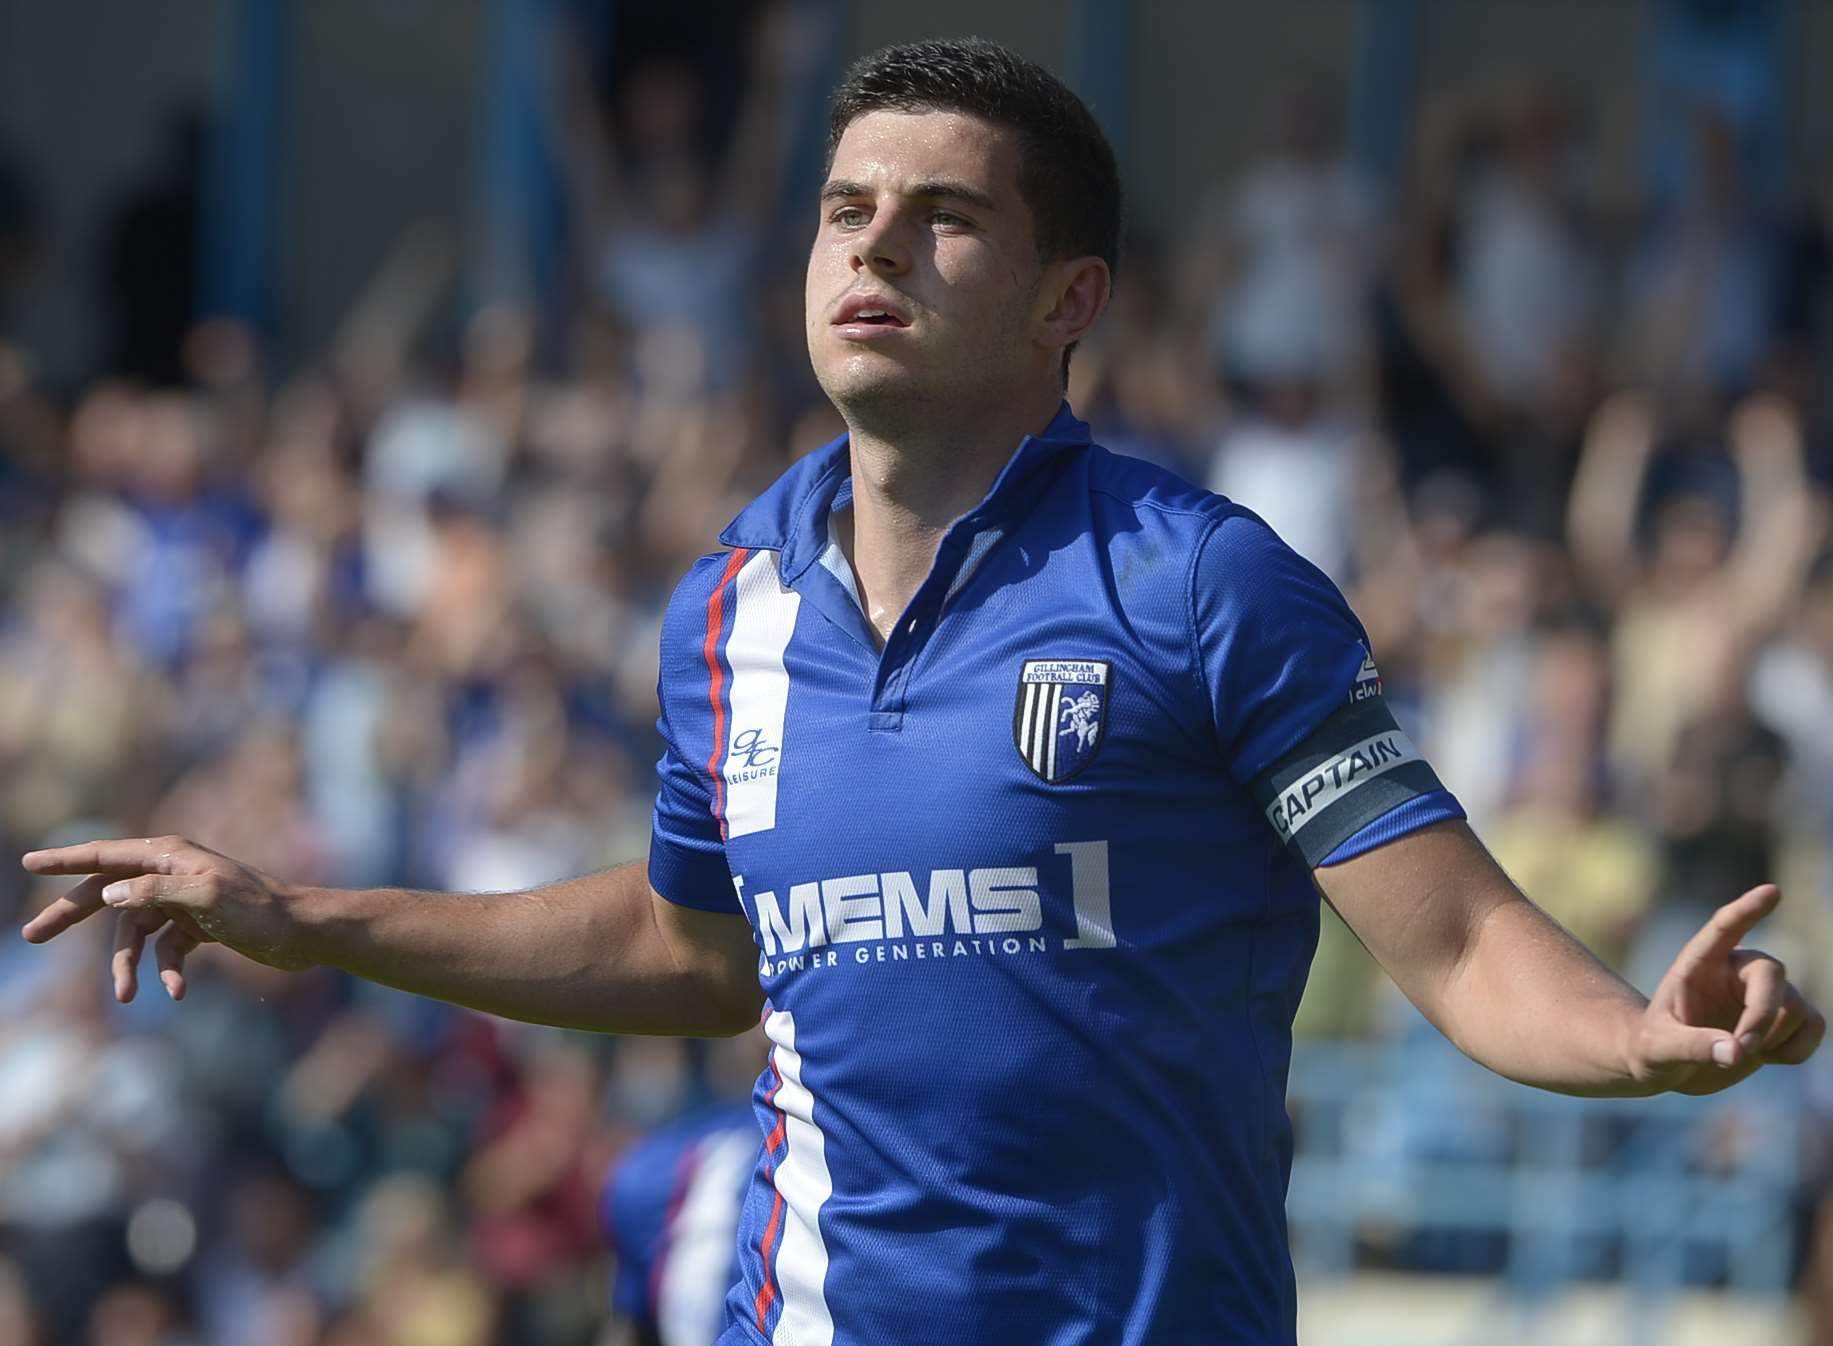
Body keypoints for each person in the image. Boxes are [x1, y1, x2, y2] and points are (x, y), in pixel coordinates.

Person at [20, 38, 1824, 1346]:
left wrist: (1637, 1042)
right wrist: (305, 916)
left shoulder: (1201, 581)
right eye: (844, 210)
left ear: (1069, 297)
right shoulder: (726, 597)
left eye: (943, 219)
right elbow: (692, 950)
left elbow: (1452, 945)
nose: (872, 247)